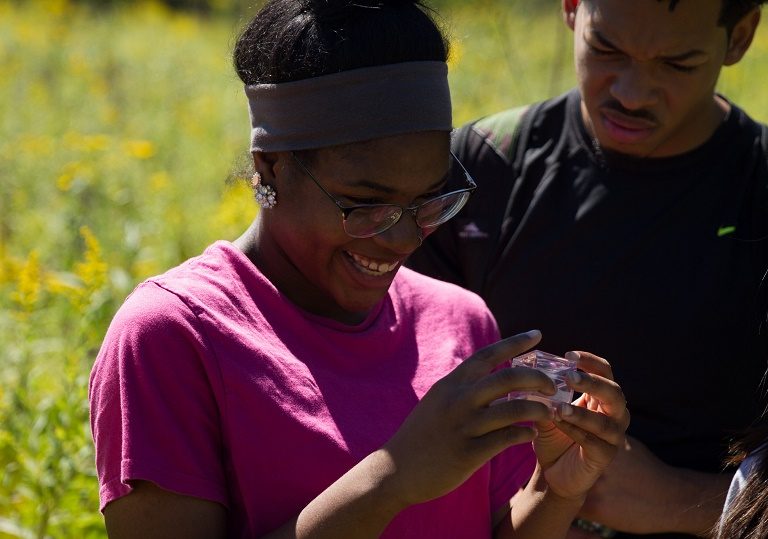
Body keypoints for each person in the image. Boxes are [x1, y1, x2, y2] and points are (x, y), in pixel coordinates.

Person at [88, 1, 629, 538]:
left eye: (429, 200)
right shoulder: (175, 336)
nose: (403, 237)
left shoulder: (461, 321)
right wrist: (390, 480)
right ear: (270, 166)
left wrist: (554, 490)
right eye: (364, 204)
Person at [407, 0, 768, 537]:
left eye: (677, 64)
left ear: (739, 37)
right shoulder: (481, 170)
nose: (630, 93)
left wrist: (684, 502)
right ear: (572, 7)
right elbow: (385, 404)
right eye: (607, 50)